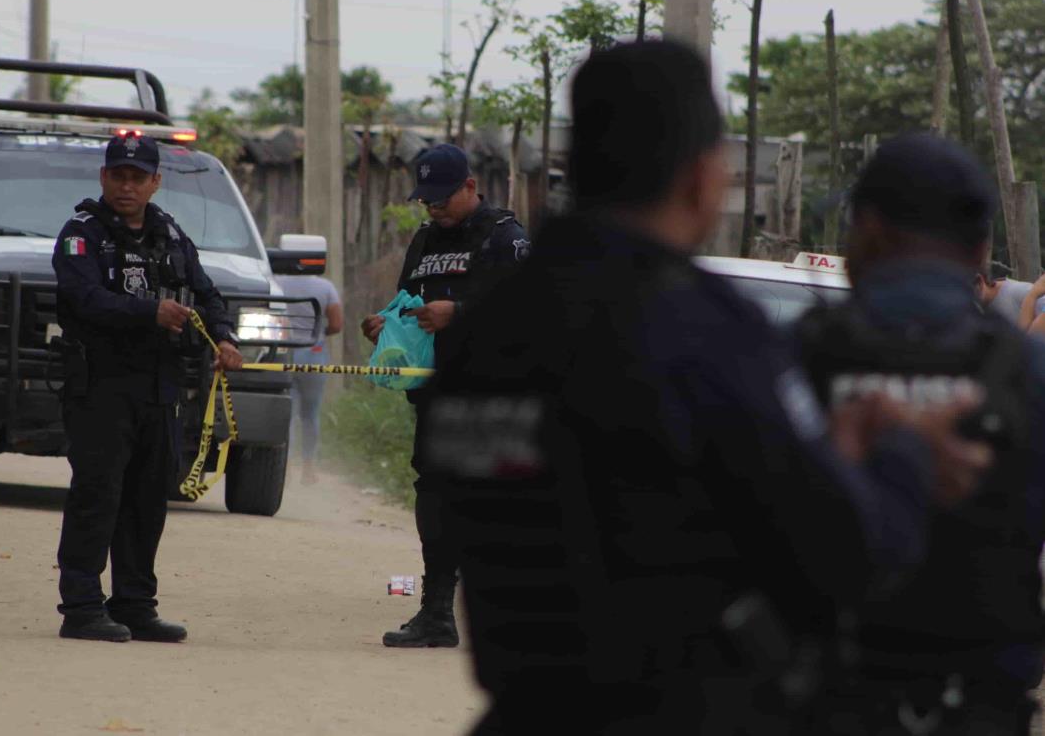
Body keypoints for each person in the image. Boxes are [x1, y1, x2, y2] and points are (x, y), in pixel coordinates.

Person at [417, 41, 992, 733]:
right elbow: (845, 553)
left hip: (522, 707)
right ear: (700, 177)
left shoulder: (479, 332)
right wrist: (903, 452)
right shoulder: (698, 326)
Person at [794, 134, 1045, 735]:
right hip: (978, 705)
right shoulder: (1027, 372)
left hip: (824, 699)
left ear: (869, 229)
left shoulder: (795, 356)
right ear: (983, 248)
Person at [52, 132, 244, 643]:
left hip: (160, 387)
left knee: (147, 499)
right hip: (101, 386)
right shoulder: (82, 233)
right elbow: (84, 298)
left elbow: (205, 292)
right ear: (104, 177)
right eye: (119, 175)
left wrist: (223, 337)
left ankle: (135, 604)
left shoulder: (172, 235)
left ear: (156, 182)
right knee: (99, 494)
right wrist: (148, 311)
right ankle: (82, 608)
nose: (127, 186)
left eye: (138, 177)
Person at [360, 142, 530, 649]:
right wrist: (385, 325)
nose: (433, 207)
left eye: (442, 197)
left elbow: (531, 310)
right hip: (438, 394)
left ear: (471, 186)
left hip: (494, 394)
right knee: (436, 500)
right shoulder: (425, 240)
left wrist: (459, 314)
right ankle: (436, 613)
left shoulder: (505, 237)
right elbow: (410, 302)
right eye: (426, 198)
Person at [275, 237, 343, 485]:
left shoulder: (276, 283)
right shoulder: (326, 287)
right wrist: (318, 333)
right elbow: (336, 323)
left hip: (284, 354)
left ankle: (286, 465)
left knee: (286, 412)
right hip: (314, 354)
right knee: (310, 415)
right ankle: (308, 468)